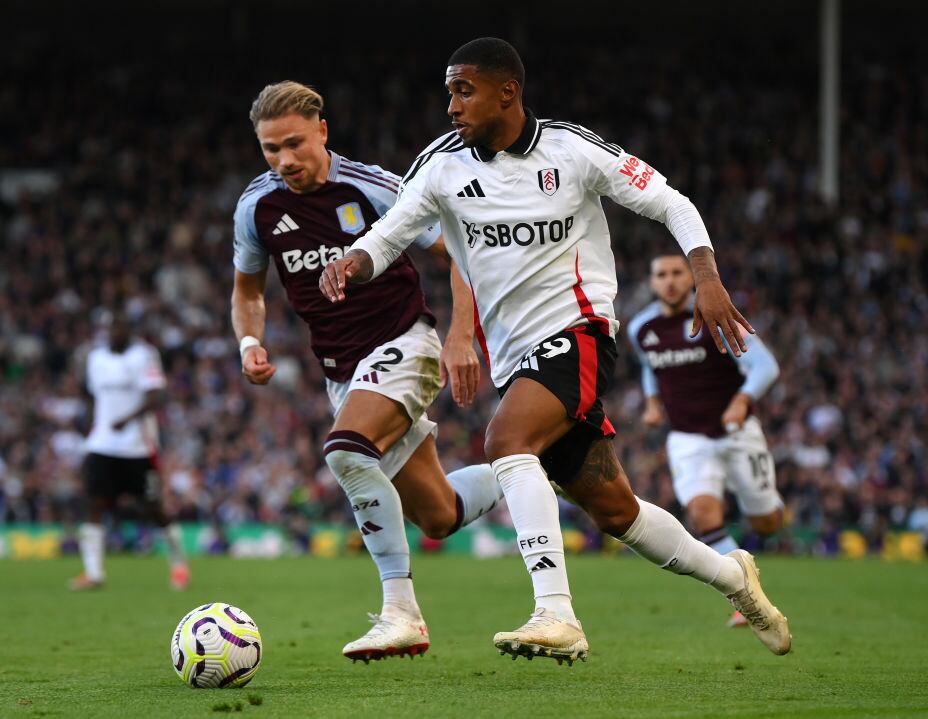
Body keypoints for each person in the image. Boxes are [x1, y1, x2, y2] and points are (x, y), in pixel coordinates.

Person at [319, 37, 791, 664]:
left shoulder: (572, 150)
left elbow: (671, 201)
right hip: (516, 356)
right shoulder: (439, 165)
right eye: (448, 92)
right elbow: (392, 231)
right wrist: (354, 261)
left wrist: (706, 277)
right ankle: (736, 580)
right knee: (615, 509)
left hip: (581, 331)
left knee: (506, 441)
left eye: (465, 90)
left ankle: (557, 614)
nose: (452, 104)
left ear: (507, 91)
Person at [232, 81, 504, 662]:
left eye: (295, 144)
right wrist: (249, 338)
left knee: (348, 451)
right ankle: (535, 470)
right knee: (439, 515)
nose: (284, 160)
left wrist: (460, 335)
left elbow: (459, 249)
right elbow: (247, 289)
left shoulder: (373, 187)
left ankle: (400, 613)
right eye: (271, 149)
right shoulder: (257, 206)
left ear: (323, 131)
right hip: (343, 373)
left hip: (405, 340)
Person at [629, 254, 783, 628]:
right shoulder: (641, 328)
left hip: (737, 433)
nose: (669, 281)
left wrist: (742, 400)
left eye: (677, 273)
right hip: (687, 437)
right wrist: (652, 402)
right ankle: (745, 596)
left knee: (767, 522)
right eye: (661, 274)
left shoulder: (715, 315)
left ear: (692, 277)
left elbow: (765, 366)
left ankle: (764, 520)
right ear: (652, 283)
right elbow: (652, 368)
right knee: (701, 512)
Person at [70, 310, 190, 591]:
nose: (117, 333)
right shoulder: (96, 358)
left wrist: (127, 418)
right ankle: (94, 573)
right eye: (113, 327)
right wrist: (92, 426)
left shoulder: (144, 355)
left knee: (152, 508)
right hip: (102, 444)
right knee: (94, 504)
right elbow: (92, 396)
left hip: (138, 446)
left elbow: (155, 396)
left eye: (122, 328)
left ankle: (179, 564)